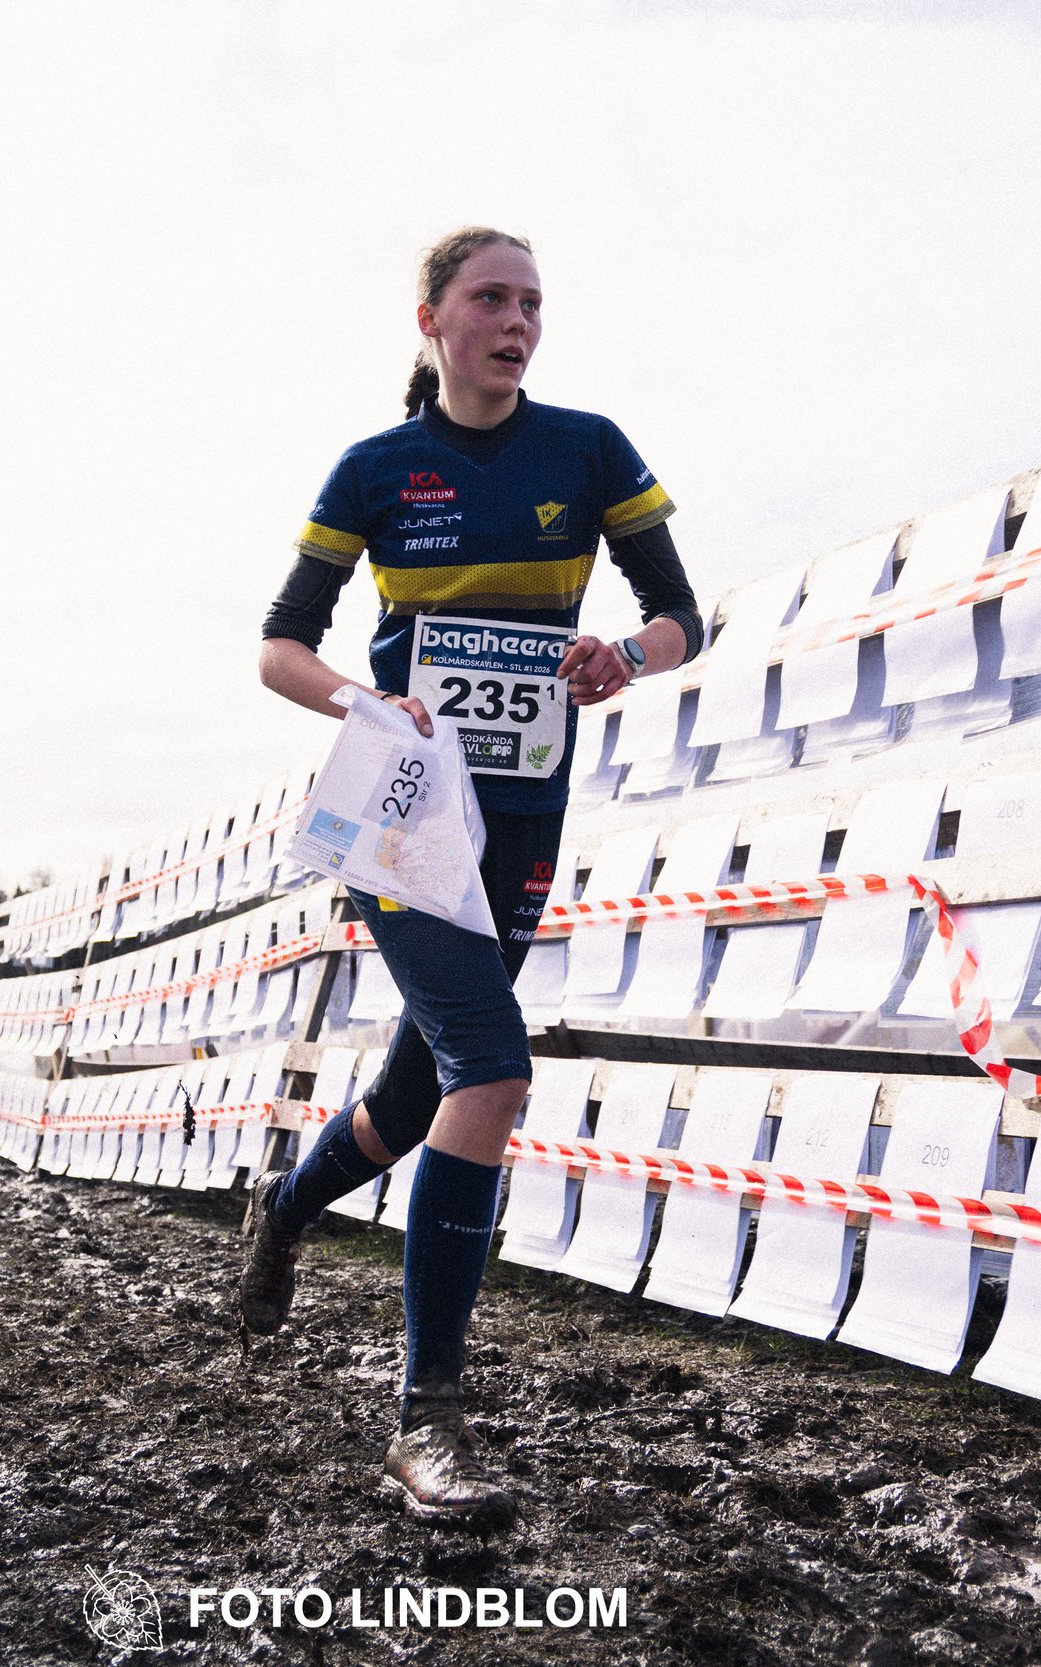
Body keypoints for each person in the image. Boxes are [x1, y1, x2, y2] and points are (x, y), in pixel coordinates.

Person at [241, 228, 700, 1527]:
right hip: (400, 814)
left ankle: (281, 1211)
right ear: (433, 318)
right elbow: (279, 646)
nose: (517, 321)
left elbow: (685, 611)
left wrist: (628, 650)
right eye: (491, 299)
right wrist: (367, 699)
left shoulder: (589, 450)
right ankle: (425, 1418)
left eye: (534, 303)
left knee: (413, 1087)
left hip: (526, 818)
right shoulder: (377, 468)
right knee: (491, 1071)